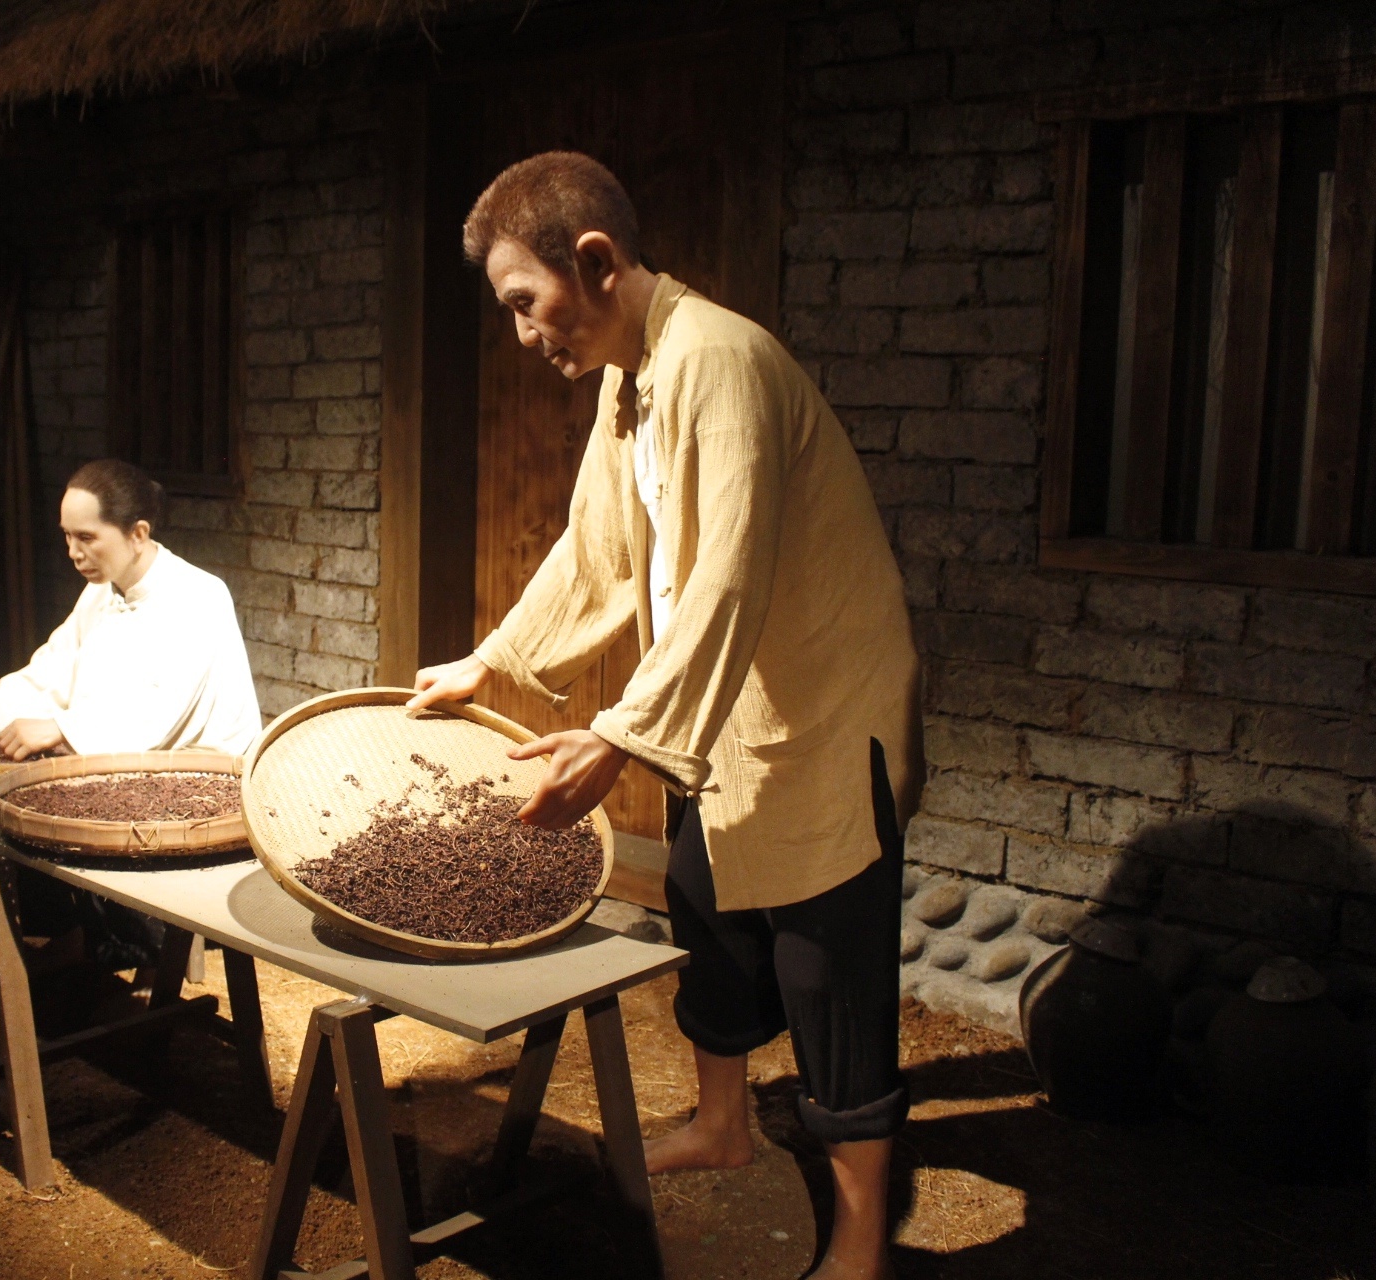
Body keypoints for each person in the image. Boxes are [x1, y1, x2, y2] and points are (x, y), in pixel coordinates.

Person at [407, 152, 923, 1280]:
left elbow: (730, 572)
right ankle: (725, 1120)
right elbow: (593, 551)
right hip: (724, 714)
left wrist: (624, 733)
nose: (526, 333)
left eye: (527, 303)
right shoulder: (629, 382)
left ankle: (863, 1240)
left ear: (595, 262)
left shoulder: (723, 360)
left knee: (829, 981)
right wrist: (488, 662)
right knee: (710, 916)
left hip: (823, 724)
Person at [0, 458, 261, 760]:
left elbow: (157, 714)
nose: (73, 553)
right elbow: (53, 670)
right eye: (67, 536)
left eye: (87, 538)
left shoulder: (198, 597)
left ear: (138, 534)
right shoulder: (100, 591)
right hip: (116, 770)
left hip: (197, 784)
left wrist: (60, 730)